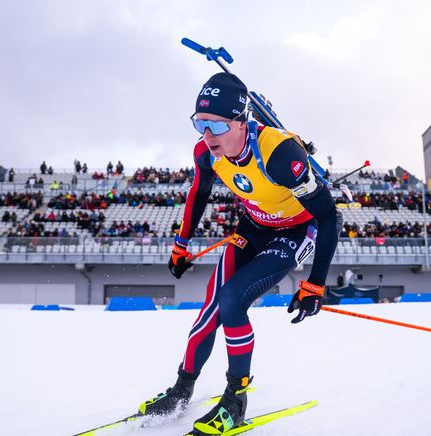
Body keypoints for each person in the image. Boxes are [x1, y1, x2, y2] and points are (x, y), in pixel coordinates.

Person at [137, 72, 340, 434]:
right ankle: (183, 389)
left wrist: (316, 284)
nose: (207, 135)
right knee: (211, 306)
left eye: (215, 124)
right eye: (199, 123)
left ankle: (235, 398)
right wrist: (180, 246)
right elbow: (198, 194)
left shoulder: (279, 153)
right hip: (253, 227)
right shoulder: (206, 153)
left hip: (295, 230)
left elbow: (329, 217)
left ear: (241, 121)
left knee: (232, 302)